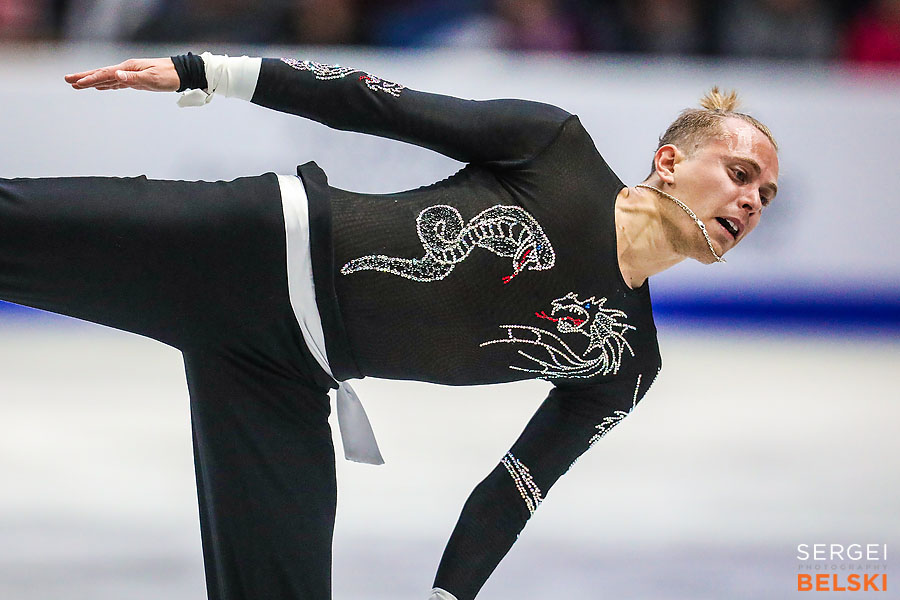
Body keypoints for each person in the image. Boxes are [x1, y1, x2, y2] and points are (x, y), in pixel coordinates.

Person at [2, 51, 778, 600]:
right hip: (250, 245)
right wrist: (209, 71)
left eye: (766, 196)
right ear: (669, 161)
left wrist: (448, 595)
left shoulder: (625, 362)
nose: (750, 202)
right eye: (739, 175)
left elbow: (518, 486)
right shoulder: (557, 149)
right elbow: (376, 102)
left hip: (284, 378)